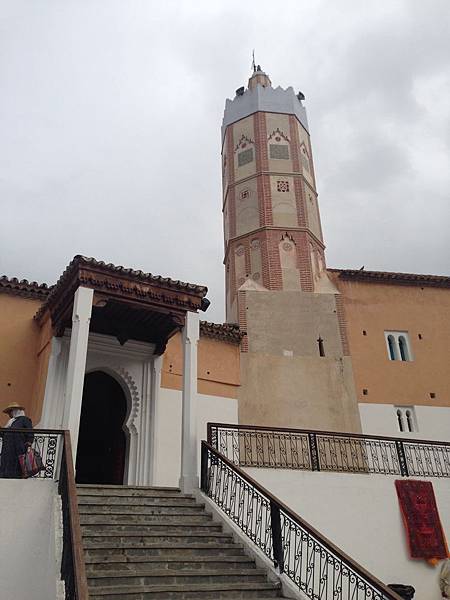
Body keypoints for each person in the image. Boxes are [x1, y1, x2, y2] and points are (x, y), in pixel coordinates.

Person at [0, 402, 34, 478]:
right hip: (7, 448)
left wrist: (29, 443)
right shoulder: (10, 422)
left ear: (15, 411)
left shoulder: (24, 420)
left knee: (17, 464)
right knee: (7, 462)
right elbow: (3, 434)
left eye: (10, 412)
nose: (9, 414)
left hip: (18, 447)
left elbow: (30, 432)